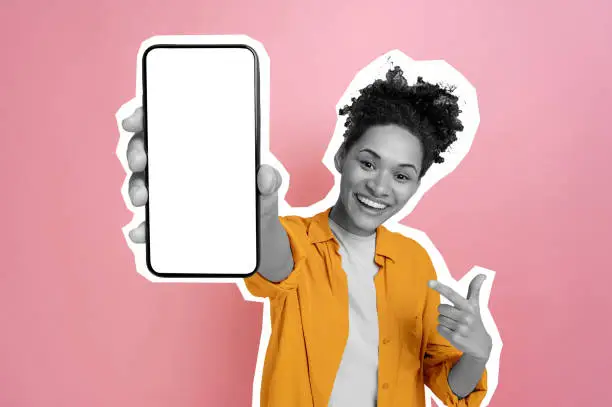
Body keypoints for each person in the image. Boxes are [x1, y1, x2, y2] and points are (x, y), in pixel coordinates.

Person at [121, 66, 492, 407]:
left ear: (415, 186)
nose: (379, 186)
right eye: (367, 162)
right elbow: (277, 264)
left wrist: (477, 353)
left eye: (401, 175)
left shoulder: (415, 260)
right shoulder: (297, 238)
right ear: (341, 157)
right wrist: (261, 210)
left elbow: (448, 386)